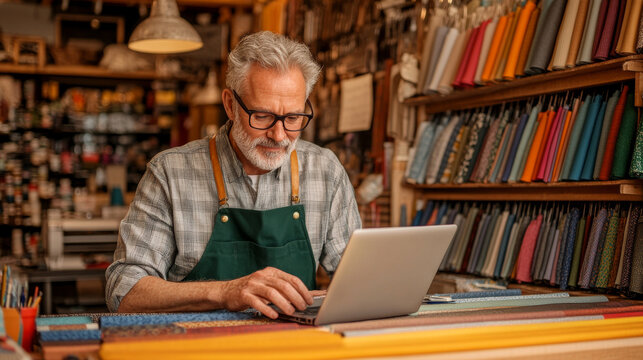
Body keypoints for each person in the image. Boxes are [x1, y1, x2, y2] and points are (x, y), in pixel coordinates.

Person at [105, 31, 362, 318]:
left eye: (292, 118)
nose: (278, 136)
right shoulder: (170, 174)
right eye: (262, 116)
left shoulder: (325, 171)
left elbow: (362, 281)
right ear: (230, 105)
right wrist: (225, 292)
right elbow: (124, 291)